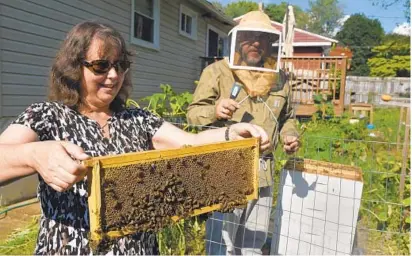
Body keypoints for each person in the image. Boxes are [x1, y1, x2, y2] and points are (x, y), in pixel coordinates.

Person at [0, 21, 271, 255]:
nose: (114, 75)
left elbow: (188, 142)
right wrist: (33, 154)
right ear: (73, 68)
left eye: (121, 65)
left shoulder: (137, 119)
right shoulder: (46, 115)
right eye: (100, 66)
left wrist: (228, 133)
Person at [187, 10, 300, 255]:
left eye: (262, 38)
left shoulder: (280, 79)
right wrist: (215, 110)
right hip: (225, 170)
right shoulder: (217, 72)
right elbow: (194, 114)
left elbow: (288, 118)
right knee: (221, 244)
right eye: (249, 37)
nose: (256, 43)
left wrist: (290, 136)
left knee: (252, 244)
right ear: (238, 40)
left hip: (264, 173)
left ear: (271, 43)